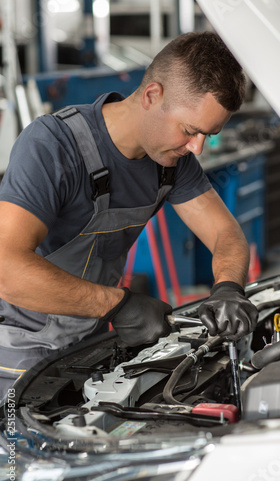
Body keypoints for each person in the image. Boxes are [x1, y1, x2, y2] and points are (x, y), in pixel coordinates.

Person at [0, 31, 258, 399]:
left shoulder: (170, 162)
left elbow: (225, 234)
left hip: (86, 348)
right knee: (17, 457)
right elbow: (6, 268)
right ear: (153, 95)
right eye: (190, 130)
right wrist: (118, 305)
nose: (197, 147)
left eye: (208, 135)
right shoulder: (53, 146)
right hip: (15, 355)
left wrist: (228, 288)